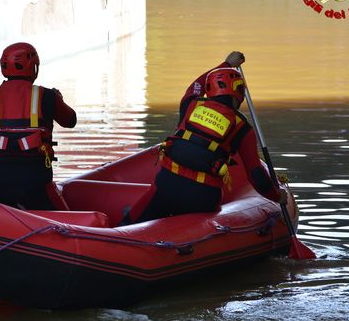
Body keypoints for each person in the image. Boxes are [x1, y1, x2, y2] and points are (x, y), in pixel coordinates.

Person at [121, 51, 287, 224]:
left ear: (210, 89)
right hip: (204, 198)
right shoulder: (243, 128)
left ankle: (128, 228)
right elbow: (257, 176)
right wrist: (277, 196)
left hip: (166, 188)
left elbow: (196, 85)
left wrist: (226, 64)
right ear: (239, 94)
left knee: (128, 221)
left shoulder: (190, 104)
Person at [0, 42, 77, 210]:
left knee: (2, 210)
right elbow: (71, 121)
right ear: (33, 66)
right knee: (62, 218)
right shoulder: (48, 97)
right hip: (34, 178)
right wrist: (59, 100)